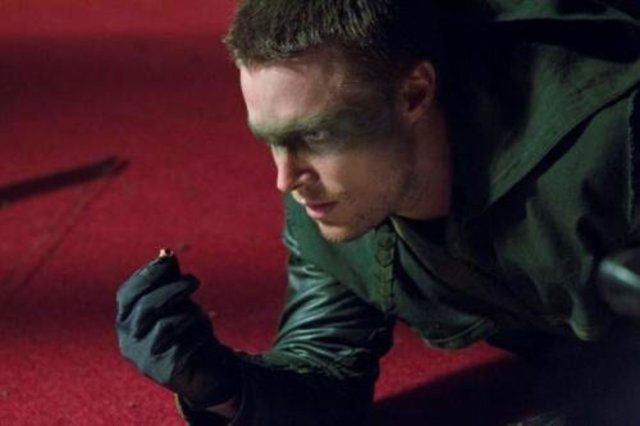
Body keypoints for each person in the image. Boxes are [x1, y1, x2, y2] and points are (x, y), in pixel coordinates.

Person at [115, 1, 640, 424]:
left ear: (414, 93)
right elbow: (325, 365)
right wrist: (221, 387)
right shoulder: (337, 200)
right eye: (271, 140)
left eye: (317, 134)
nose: (286, 178)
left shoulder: (610, 147)